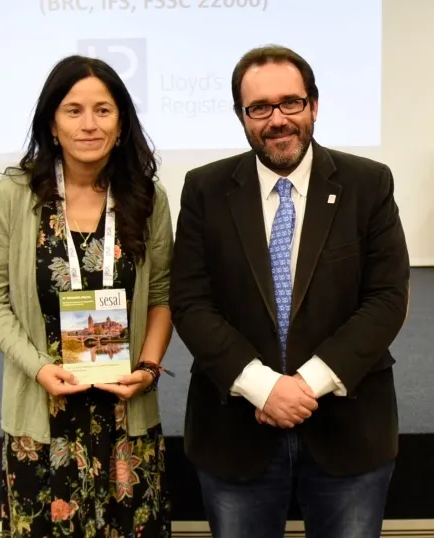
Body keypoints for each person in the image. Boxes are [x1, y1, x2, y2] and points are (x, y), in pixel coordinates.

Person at [169, 45, 410, 538]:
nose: (277, 120)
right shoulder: (205, 190)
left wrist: (304, 385)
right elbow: (191, 302)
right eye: (259, 108)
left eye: (291, 103)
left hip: (349, 429)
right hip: (236, 431)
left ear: (314, 106)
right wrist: (263, 386)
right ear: (241, 117)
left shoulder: (368, 184)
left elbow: (387, 298)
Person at [0, 55, 174, 537]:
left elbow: (164, 296)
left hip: (126, 419)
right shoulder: (16, 194)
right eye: (73, 110)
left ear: (122, 123)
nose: (89, 124)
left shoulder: (147, 197)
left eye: (103, 110)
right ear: (52, 122)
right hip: (41, 417)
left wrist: (147, 371)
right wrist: (39, 367)